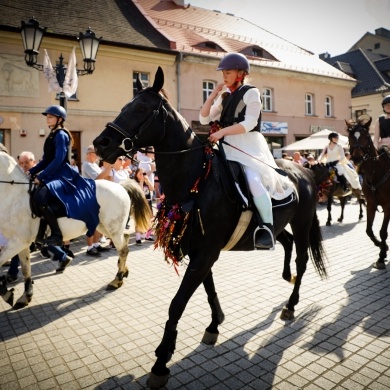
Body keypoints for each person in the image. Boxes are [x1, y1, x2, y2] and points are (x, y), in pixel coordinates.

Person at [199, 52, 294, 250]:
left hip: (247, 145)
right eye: (223, 72)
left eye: (228, 72)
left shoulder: (251, 92)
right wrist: (214, 95)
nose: (224, 75)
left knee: (253, 180)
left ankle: (267, 228)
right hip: (225, 146)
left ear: (241, 73)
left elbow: (250, 122)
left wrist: (222, 131)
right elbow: (204, 118)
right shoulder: (225, 95)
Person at [29, 105, 100, 272]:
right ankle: (41, 234)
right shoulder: (52, 134)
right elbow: (46, 160)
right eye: (47, 116)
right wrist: (29, 171)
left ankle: (56, 234)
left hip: (63, 175)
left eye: (51, 116)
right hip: (53, 173)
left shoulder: (61, 135)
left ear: (59, 119)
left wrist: (41, 176)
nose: (47, 118)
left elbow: (59, 159)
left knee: (41, 197)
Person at [81, 145, 112, 256]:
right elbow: (98, 178)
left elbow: (104, 177)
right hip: (90, 196)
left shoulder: (93, 164)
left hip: (97, 195)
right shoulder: (86, 164)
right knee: (91, 222)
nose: (97, 155)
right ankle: (89, 247)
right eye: (95, 152)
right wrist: (109, 167)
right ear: (89, 154)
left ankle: (96, 244)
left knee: (97, 222)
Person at [134, 168, 154, 245]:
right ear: (136, 174)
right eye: (140, 174)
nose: (142, 175)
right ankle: (138, 237)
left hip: (148, 202)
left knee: (150, 218)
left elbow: (152, 188)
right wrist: (141, 181)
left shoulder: (146, 181)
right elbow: (140, 192)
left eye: (143, 173)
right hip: (140, 203)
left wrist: (147, 181)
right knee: (139, 219)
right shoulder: (135, 182)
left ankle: (147, 235)